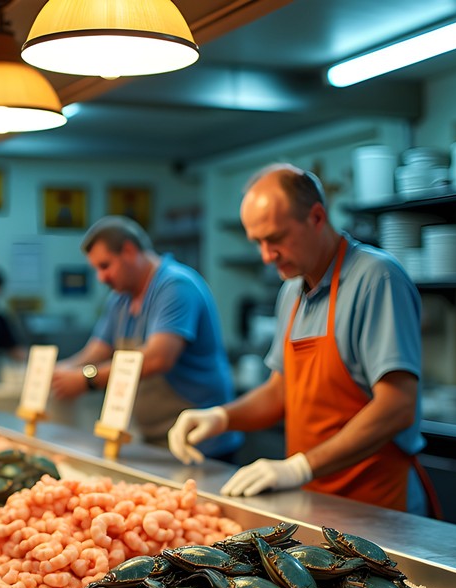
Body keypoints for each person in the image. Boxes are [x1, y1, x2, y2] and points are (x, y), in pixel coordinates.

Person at [168, 164, 440, 517]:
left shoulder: (376, 279)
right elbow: (281, 391)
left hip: (379, 505)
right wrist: (220, 417)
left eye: (276, 238)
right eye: (258, 242)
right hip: (316, 500)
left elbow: (397, 406)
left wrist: (297, 468)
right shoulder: (292, 292)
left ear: (316, 217)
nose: (266, 256)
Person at [51, 215, 242, 461]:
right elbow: (97, 350)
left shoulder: (175, 286)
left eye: (105, 265)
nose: (101, 277)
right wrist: (61, 371)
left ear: (129, 251)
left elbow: (158, 358)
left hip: (201, 442)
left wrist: (86, 379)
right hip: (156, 439)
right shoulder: (121, 297)